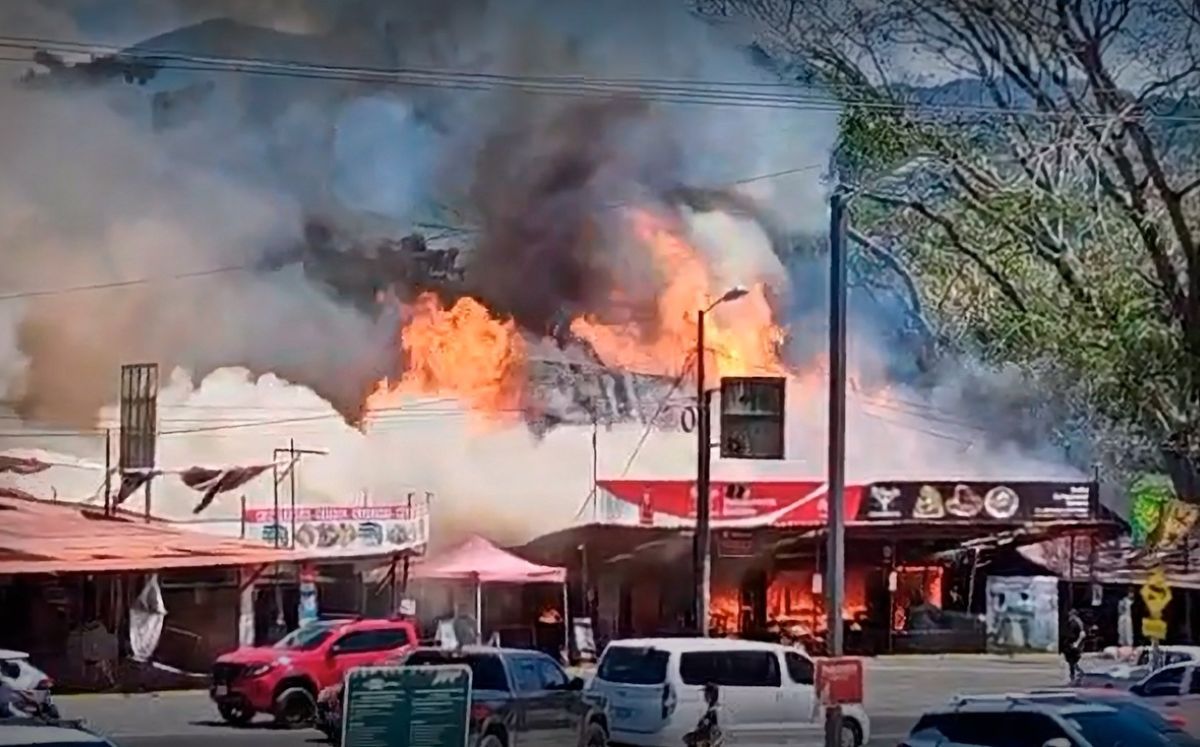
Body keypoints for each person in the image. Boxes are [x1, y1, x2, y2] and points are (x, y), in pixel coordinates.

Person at [1064, 608, 1086, 684]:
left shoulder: (1078, 622)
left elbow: (1082, 634)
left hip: (1075, 643)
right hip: (1070, 642)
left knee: (1072, 660)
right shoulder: (1071, 621)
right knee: (1070, 660)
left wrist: (1077, 643)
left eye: (1071, 614)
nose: (1069, 615)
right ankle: (1076, 674)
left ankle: (1074, 675)